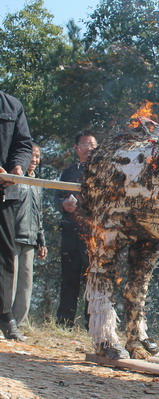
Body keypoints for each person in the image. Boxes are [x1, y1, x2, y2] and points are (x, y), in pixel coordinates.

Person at [54, 132, 97, 328]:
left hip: (93, 234)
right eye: (85, 144)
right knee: (69, 278)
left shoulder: (102, 170)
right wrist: (64, 204)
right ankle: (64, 323)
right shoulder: (69, 171)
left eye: (93, 145)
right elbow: (56, 198)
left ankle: (92, 324)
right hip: (70, 231)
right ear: (76, 148)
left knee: (93, 280)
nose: (89, 148)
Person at [0, 90, 33, 341]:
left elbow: (23, 144)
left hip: (5, 192)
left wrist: (17, 166)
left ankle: (5, 317)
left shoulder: (12, 105)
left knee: (4, 258)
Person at [11, 143, 47, 327]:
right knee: (10, 281)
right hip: (12, 237)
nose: (34, 159)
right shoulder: (14, 179)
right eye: (32, 155)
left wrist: (42, 241)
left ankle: (21, 323)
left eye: (37, 156)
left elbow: (39, 214)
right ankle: (5, 321)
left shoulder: (38, 184)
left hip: (30, 240)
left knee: (26, 283)